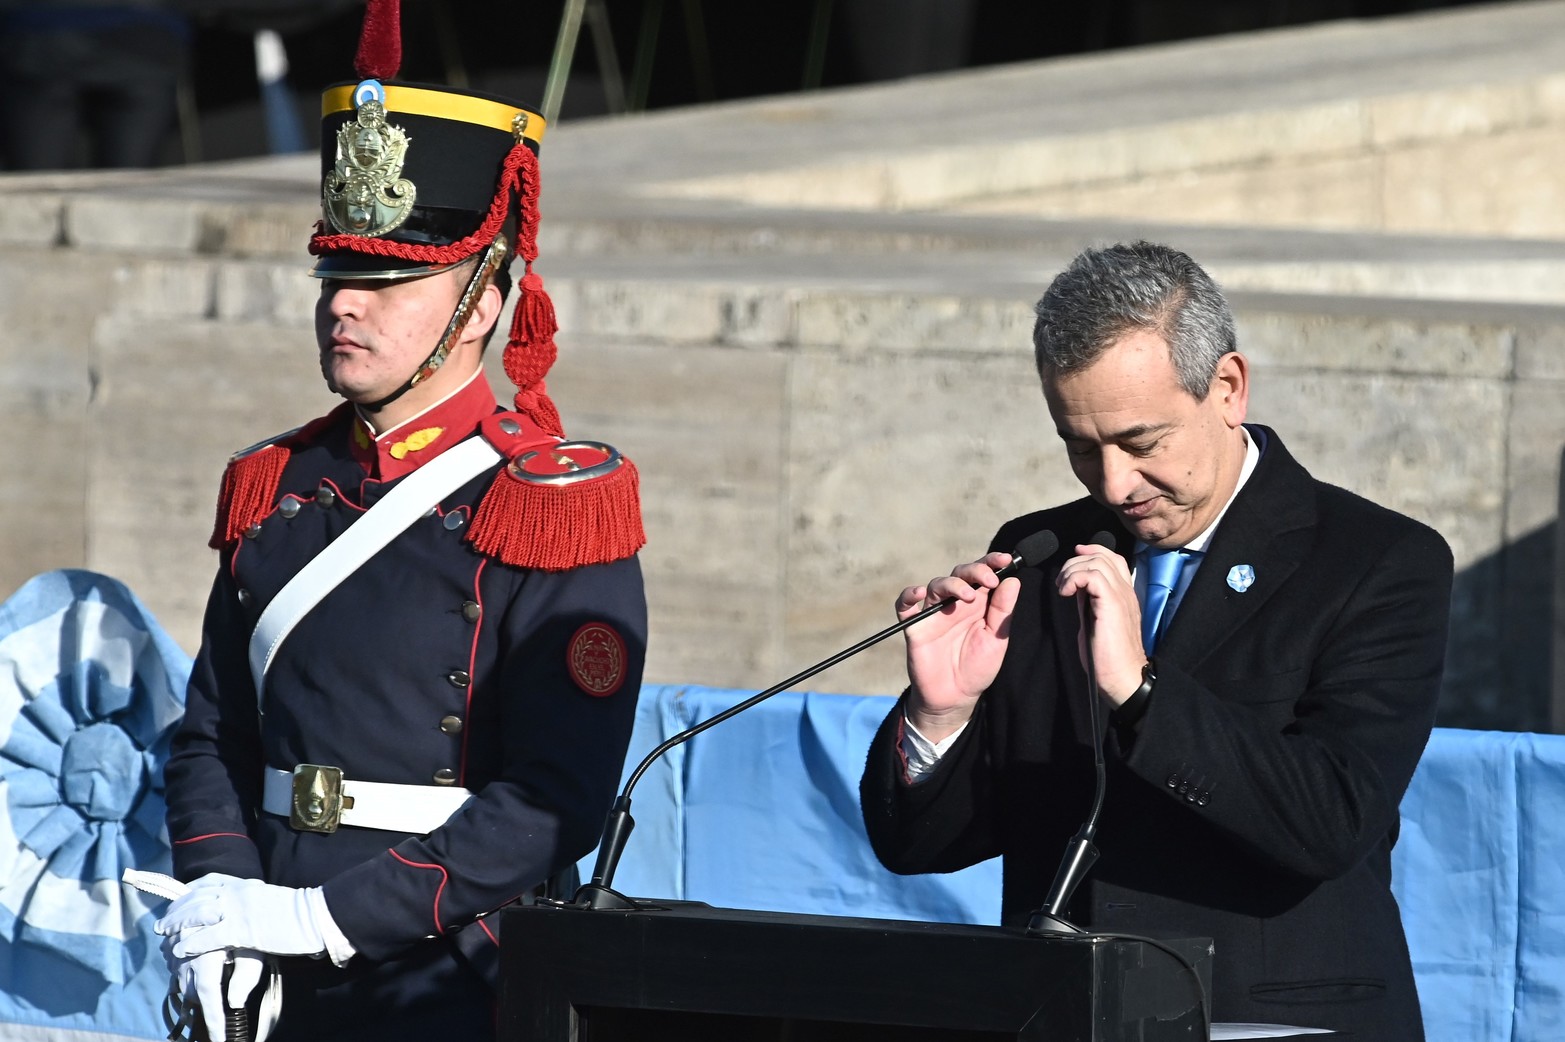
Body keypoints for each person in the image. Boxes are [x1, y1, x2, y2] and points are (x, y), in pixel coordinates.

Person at [153, 4, 647, 1040]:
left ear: (480, 303)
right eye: (336, 274)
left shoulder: (551, 502)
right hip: (259, 970)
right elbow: (210, 733)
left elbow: (548, 799)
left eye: (386, 279)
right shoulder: (273, 482)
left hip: (450, 978)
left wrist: (319, 919)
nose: (345, 304)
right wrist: (224, 901)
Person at [860, 241, 1451, 1039]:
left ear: (1228, 388)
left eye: (1141, 442)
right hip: (1068, 1014)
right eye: (1079, 445)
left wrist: (1140, 692)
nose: (1111, 484)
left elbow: (1329, 820)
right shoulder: (1040, 552)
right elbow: (920, 845)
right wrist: (941, 716)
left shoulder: (1374, 561)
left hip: (1269, 1022)